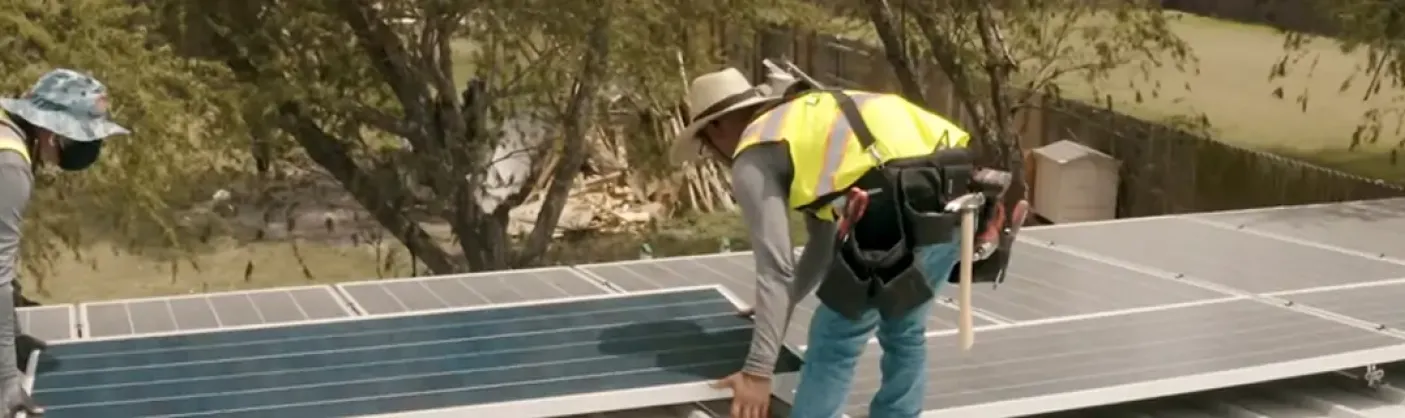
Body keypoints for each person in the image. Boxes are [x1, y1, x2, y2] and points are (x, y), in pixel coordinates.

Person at [679, 68, 1005, 418]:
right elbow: (822, 242)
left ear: (716, 127)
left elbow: (776, 269)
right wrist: (785, 300)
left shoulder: (754, 156)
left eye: (705, 145)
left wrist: (758, 373)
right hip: (963, 196)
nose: (713, 154)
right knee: (905, 327)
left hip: (895, 211)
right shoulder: (803, 121)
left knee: (835, 338)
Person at [0, 69, 130, 417]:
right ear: (54, 132)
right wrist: (6, 382)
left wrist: (13, 339)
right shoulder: (9, 164)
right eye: (79, 137)